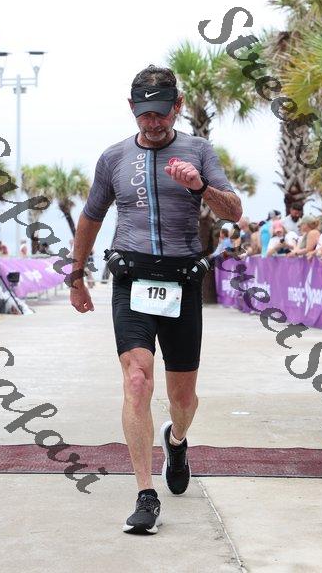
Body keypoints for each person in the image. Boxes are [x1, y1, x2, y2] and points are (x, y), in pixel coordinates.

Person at [70, 64, 242, 535]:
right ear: (132, 109)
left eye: (162, 112)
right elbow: (90, 217)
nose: (153, 122)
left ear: (177, 106)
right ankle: (146, 493)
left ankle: (177, 441)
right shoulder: (113, 158)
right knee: (137, 381)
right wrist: (76, 276)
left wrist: (199, 186)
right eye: (145, 114)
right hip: (132, 279)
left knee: (182, 398)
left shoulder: (199, 151)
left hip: (182, 282)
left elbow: (234, 211)